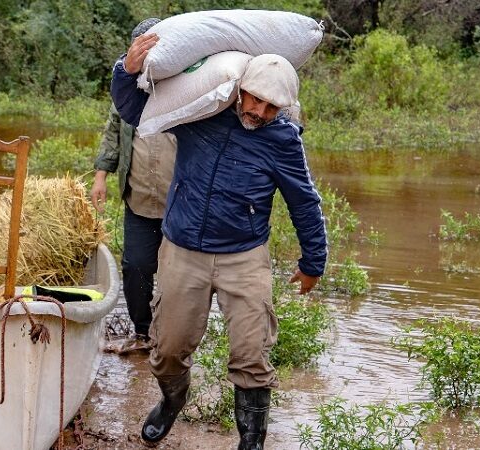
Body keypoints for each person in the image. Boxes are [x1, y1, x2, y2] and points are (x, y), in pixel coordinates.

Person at [111, 33, 328, 449]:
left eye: (270, 107)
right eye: (253, 99)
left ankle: (251, 442)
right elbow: (136, 109)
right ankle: (172, 401)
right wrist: (128, 71)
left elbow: (304, 201)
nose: (259, 112)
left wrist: (313, 261)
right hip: (182, 250)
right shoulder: (201, 112)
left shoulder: (281, 139)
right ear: (239, 90)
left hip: (243, 257)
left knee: (252, 354)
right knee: (168, 351)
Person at [91, 19, 178, 355]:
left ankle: (172, 337)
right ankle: (143, 334)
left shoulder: (187, 87)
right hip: (139, 197)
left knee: (177, 274)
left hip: (179, 201)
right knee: (136, 266)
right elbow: (113, 132)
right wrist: (101, 176)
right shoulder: (127, 90)